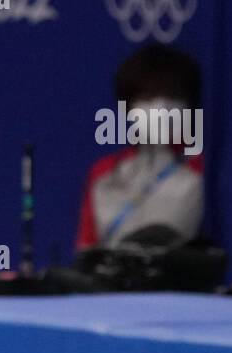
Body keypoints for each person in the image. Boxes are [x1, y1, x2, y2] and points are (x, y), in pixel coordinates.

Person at [76, 45, 205, 252]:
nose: (160, 107)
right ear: (128, 105)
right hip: (111, 282)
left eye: (172, 96)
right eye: (147, 97)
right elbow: (86, 246)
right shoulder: (104, 172)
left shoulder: (202, 169)